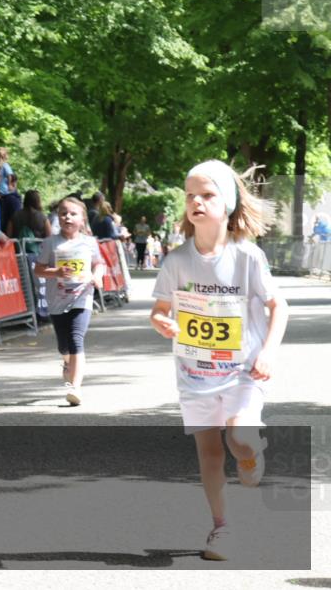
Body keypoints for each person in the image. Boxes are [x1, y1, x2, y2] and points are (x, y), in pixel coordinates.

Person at [149, 160, 288, 562]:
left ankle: (251, 451)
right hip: (194, 374)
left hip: (244, 370)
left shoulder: (247, 257)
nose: (196, 201)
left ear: (226, 203)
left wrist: (269, 351)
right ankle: (221, 528)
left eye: (207, 195)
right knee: (209, 454)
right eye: (190, 195)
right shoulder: (176, 261)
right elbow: (159, 310)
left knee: (239, 438)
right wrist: (163, 322)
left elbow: (278, 306)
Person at [34, 196, 105, 406]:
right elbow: (38, 270)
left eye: (73, 214)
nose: (67, 217)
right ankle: (67, 362)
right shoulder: (50, 243)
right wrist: (55, 272)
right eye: (63, 213)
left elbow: (99, 263)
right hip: (57, 299)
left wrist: (97, 276)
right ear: (58, 217)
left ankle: (75, 388)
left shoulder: (89, 242)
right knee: (63, 345)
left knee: (76, 339)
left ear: (82, 219)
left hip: (82, 297)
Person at [9, 189, 52, 255]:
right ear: (38, 201)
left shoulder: (15, 215)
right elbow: (49, 237)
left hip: (18, 254)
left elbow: (9, 235)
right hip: (38, 255)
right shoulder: (43, 217)